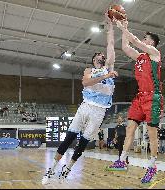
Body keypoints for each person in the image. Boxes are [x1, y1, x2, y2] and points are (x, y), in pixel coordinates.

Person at [42, 14, 117, 185]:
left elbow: (111, 44)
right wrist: (106, 75)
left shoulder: (109, 66)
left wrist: (110, 26)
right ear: (94, 59)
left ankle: (67, 168)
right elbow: (86, 82)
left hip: (100, 111)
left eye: (102, 55)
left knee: (82, 143)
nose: (101, 55)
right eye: (98, 55)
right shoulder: (89, 70)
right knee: (69, 138)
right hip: (86, 106)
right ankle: (51, 169)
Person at [108, 18, 162, 184]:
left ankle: (152, 166)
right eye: (144, 38)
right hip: (140, 97)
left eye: (146, 38)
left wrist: (122, 27)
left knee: (152, 134)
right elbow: (125, 47)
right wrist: (124, 28)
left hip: (152, 97)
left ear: (152, 42)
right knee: (130, 128)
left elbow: (135, 41)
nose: (143, 39)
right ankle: (122, 160)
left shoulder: (154, 54)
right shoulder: (140, 57)